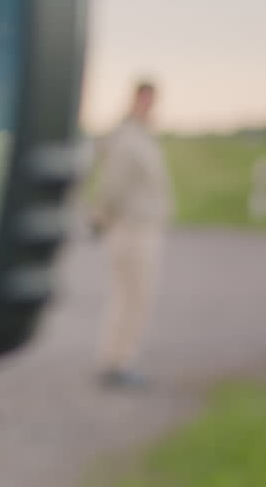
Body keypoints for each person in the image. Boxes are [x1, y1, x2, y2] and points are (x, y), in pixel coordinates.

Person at [86, 79, 174, 389]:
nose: (150, 106)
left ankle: (116, 360)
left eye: (153, 100)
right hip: (131, 230)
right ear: (135, 99)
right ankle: (116, 363)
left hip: (145, 227)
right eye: (145, 100)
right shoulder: (128, 139)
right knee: (132, 298)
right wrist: (100, 218)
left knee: (133, 298)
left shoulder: (144, 136)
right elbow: (112, 186)